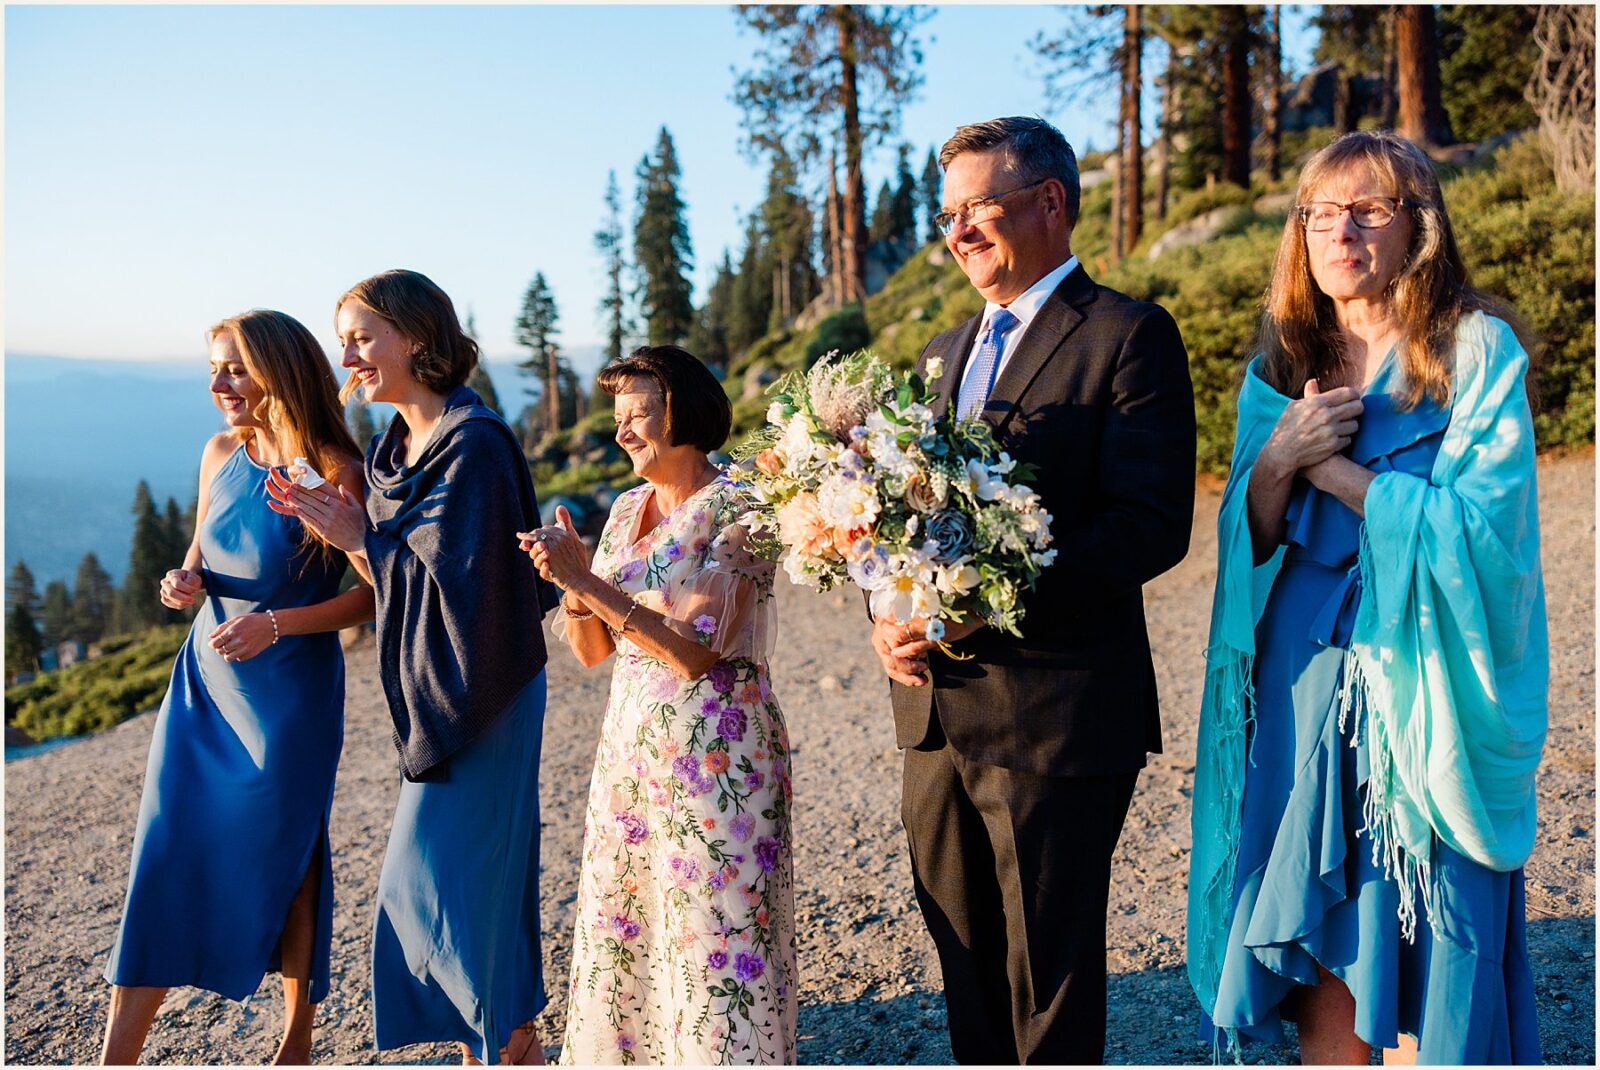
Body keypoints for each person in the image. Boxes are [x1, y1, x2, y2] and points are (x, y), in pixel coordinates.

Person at [1187, 130, 1545, 1064]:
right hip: (1302, 687)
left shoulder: (1474, 351)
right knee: (1321, 952)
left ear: (1415, 227)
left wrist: (1336, 471)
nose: (1341, 230)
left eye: (1370, 208)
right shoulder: (1279, 370)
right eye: (1321, 213)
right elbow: (1245, 541)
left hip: (1426, 692)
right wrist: (1278, 456)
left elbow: (1486, 536)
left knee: (1428, 929)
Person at [869, 116, 1196, 1064]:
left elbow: (1147, 525)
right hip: (930, 711)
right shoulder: (939, 350)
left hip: (1054, 709)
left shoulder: (1128, 335)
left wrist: (992, 602)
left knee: (1046, 973)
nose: (959, 233)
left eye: (979, 208)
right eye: (947, 216)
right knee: (963, 961)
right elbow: (888, 519)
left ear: (1049, 201)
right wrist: (889, 616)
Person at [266, 269, 554, 1065]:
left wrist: (362, 539)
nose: (347, 354)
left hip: (485, 691)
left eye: (362, 336)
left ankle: (510, 1042)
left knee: (461, 880)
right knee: (439, 889)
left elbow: (472, 592)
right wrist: (354, 538)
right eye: (344, 338)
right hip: (434, 689)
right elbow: (399, 587)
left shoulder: (476, 444)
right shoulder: (394, 450)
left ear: (416, 338)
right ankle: (503, 1044)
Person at [101, 309, 373, 1065]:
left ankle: (296, 1044)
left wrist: (278, 625)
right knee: (164, 851)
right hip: (203, 692)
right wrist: (183, 581)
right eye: (214, 367)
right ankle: (115, 1056)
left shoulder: (331, 465)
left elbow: (372, 596)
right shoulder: (220, 451)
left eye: (235, 367)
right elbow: (201, 552)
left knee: (286, 854)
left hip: (287, 698)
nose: (219, 383)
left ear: (280, 371)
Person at [524, 345, 796, 1065]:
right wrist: (570, 582)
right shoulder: (623, 510)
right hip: (632, 758)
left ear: (685, 411)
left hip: (718, 762)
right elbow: (591, 652)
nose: (622, 432)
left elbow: (696, 648)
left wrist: (591, 582)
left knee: (717, 935)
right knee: (633, 933)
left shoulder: (742, 503)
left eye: (638, 414)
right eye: (617, 417)